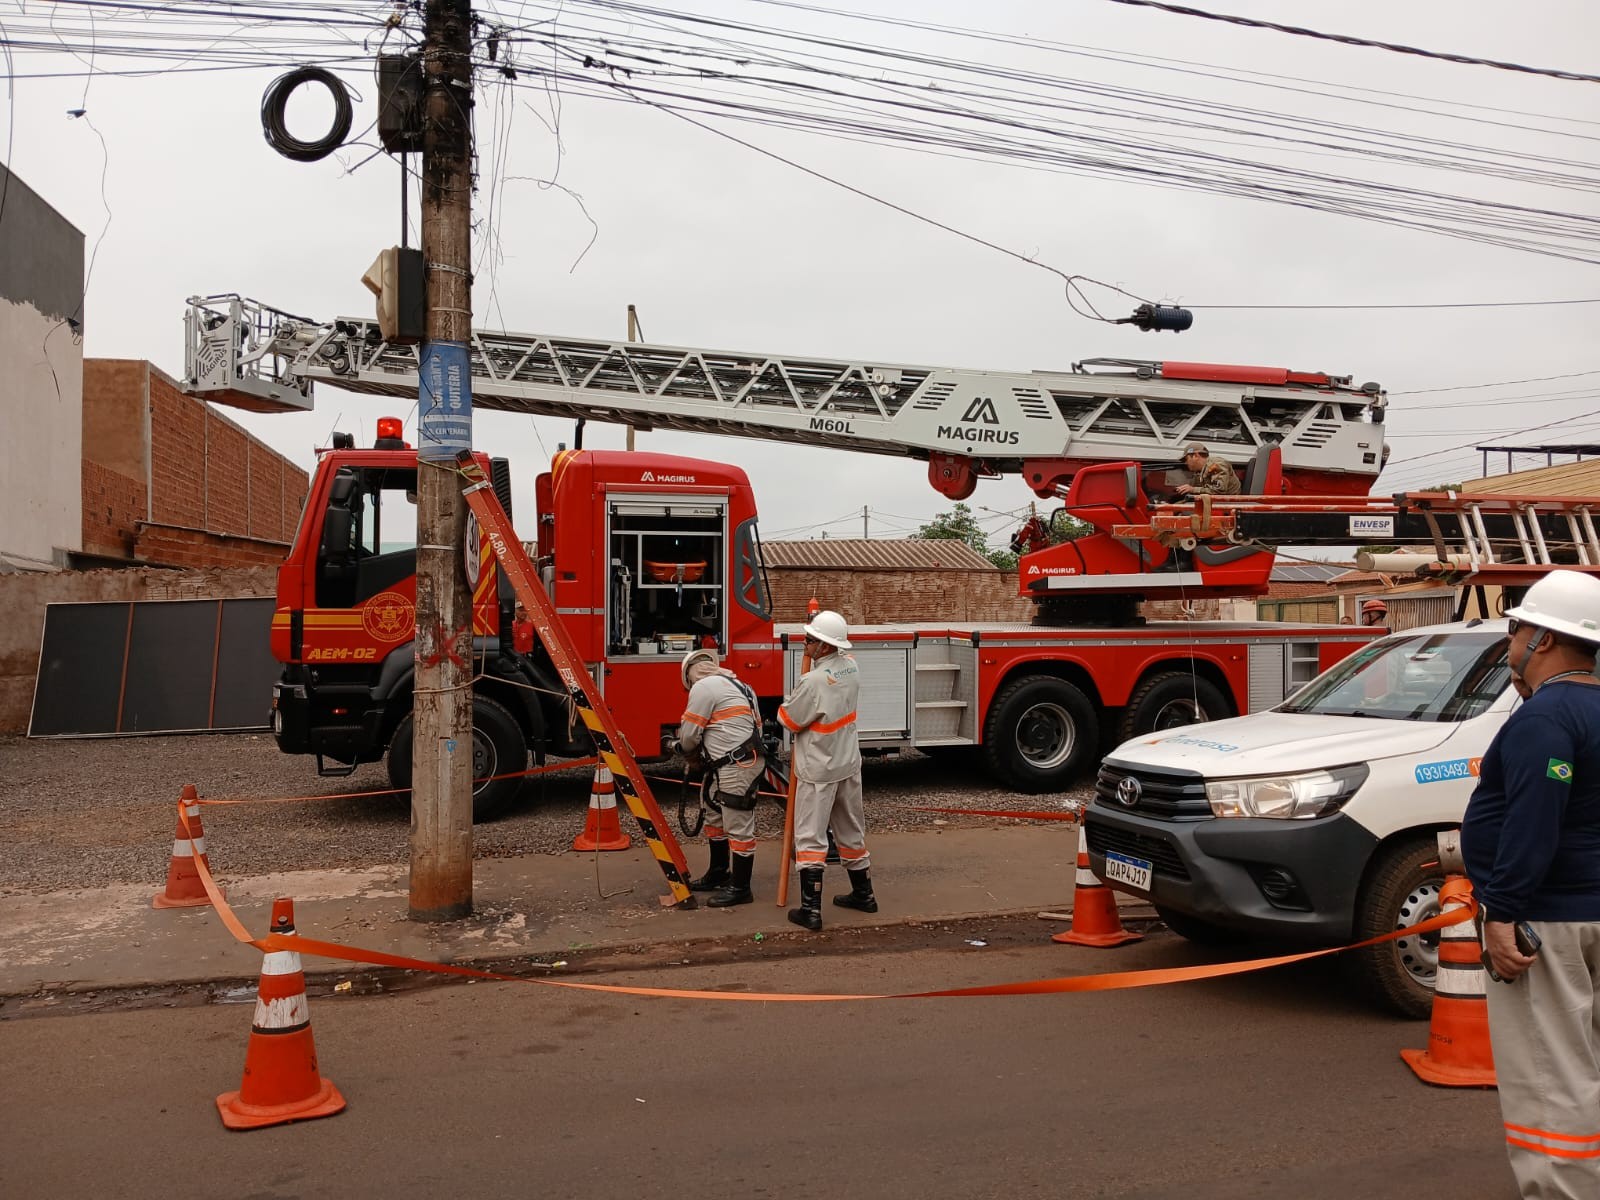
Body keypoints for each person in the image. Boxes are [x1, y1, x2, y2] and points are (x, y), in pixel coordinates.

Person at [1460, 569, 1600, 1200]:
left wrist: (1501, 911)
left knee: (1552, 1080)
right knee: (1587, 1065)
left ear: (1542, 638)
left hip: (1550, 922)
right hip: (1589, 912)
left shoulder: (1547, 717)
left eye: (1516, 627)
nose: (1512, 639)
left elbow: (1533, 820)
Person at [778, 610, 875, 930]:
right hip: (847, 762)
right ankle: (864, 895)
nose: (805, 644)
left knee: (809, 838)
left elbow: (789, 720)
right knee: (851, 831)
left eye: (810, 640)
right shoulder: (852, 666)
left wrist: (790, 699)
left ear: (824, 646)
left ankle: (811, 910)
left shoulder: (814, 681)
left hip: (818, 768)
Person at [673, 647, 765, 907]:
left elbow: (689, 735)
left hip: (735, 765)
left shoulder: (703, 687)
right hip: (736, 761)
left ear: (690, 675)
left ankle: (740, 888)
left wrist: (684, 749)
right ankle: (719, 872)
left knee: (738, 824)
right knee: (715, 816)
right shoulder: (742, 685)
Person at [1173, 443, 1241, 497]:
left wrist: (1192, 489)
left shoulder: (1216, 464)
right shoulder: (1200, 472)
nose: (1185, 462)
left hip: (1226, 505)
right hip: (1214, 504)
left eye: (1186, 459)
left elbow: (1219, 491)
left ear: (1195, 456)